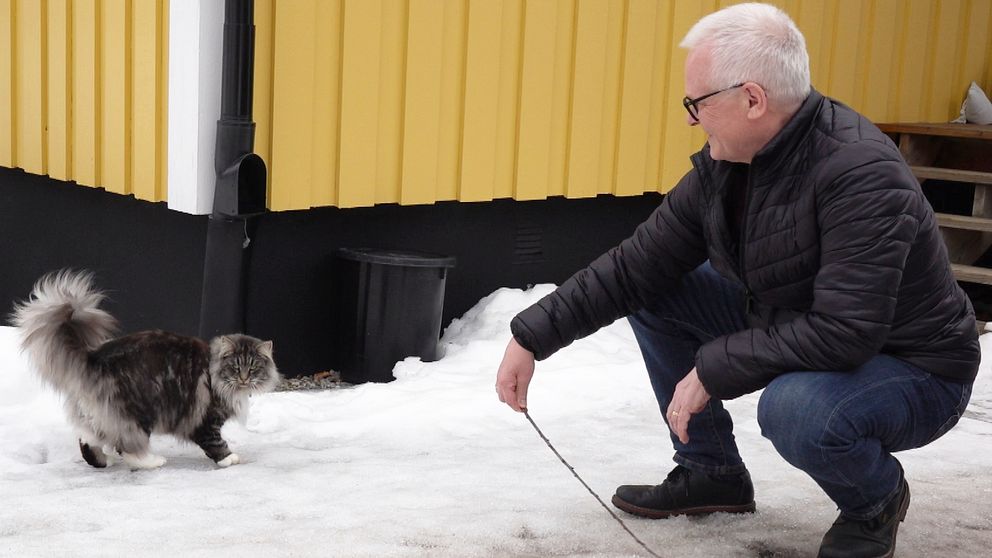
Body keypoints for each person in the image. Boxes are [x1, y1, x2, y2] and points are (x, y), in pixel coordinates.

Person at [494, 3, 979, 557]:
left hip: (914, 368)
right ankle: (712, 472)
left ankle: (876, 499)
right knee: (658, 291)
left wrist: (711, 368)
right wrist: (532, 336)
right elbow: (636, 266)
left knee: (795, 409)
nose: (689, 119)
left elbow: (847, 330)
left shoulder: (861, 173)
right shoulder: (729, 163)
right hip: (803, 322)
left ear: (753, 99)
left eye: (696, 103)